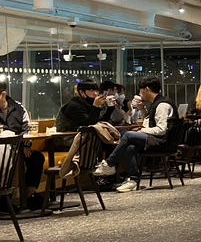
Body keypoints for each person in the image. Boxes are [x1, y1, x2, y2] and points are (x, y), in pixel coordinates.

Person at [91, 77, 178, 193]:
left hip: (162, 142)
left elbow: (161, 130)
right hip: (158, 140)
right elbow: (150, 123)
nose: (140, 94)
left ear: (147, 89)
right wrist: (142, 110)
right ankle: (133, 180)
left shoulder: (162, 105)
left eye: (141, 91)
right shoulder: (157, 103)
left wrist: (142, 131)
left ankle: (109, 164)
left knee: (128, 135)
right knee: (131, 147)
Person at [0, 82, 45, 210]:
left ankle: (29, 195)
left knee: (36, 158)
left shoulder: (18, 108)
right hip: (3, 150)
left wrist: (26, 145)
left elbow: (27, 129)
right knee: (8, 159)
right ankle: (4, 198)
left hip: (18, 148)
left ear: (3, 95)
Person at [56, 79, 120, 132]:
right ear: (82, 92)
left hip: (87, 137)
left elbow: (99, 122)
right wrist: (96, 107)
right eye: (91, 90)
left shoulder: (89, 103)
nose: (95, 93)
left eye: (97, 90)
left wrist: (110, 108)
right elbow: (89, 125)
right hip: (69, 137)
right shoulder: (74, 106)